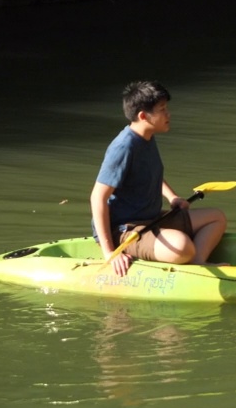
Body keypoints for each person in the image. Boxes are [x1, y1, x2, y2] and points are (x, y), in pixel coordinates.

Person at [90, 81, 227, 276]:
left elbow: (151, 174)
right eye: (162, 109)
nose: (168, 114)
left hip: (151, 218)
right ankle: (186, 255)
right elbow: (98, 198)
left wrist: (172, 197)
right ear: (143, 116)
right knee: (182, 247)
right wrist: (110, 253)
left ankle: (198, 262)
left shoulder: (147, 136)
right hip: (125, 230)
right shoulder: (123, 148)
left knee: (216, 217)